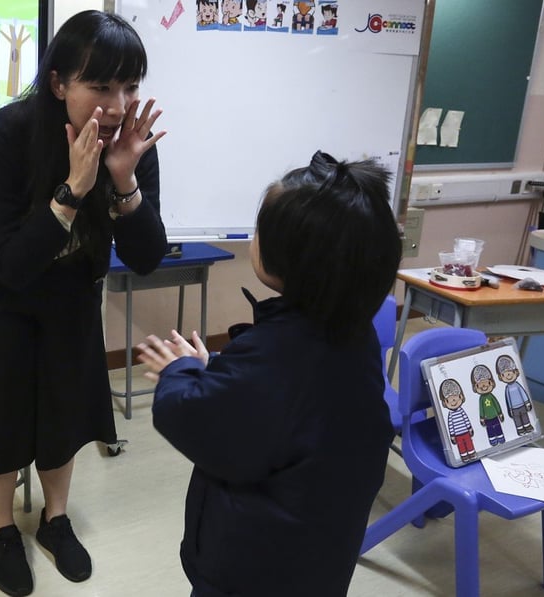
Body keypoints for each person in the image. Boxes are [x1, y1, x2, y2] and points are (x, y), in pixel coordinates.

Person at [0, 9, 168, 596]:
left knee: (64, 410)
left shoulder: (131, 142)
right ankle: (1, 529)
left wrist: (123, 181)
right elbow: (12, 263)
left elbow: (145, 256)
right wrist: (73, 191)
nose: (118, 104)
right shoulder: (4, 135)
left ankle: (55, 519)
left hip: (68, 293)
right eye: (101, 86)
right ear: (60, 82)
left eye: (130, 85)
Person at [138, 150, 401, 596]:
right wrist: (216, 369)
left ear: (288, 257)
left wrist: (180, 370)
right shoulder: (350, 332)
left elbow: (192, 416)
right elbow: (286, 406)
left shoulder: (276, 351)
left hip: (252, 567)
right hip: (319, 557)